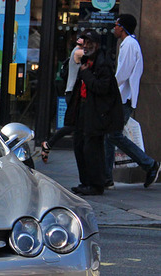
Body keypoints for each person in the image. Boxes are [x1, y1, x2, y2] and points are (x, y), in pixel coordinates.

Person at [103, 14, 159, 189]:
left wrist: (107, 88)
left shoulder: (129, 45)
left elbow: (122, 74)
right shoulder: (129, 44)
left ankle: (150, 164)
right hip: (122, 97)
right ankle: (106, 178)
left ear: (123, 27)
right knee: (109, 137)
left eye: (117, 24)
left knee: (113, 135)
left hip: (123, 98)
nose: (115, 27)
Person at [70, 30, 124, 196]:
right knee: (80, 144)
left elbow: (102, 88)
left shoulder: (102, 64)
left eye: (89, 43)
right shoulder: (87, 62)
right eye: (84, 43)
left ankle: (96, 183)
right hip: (84, 108)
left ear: (97, 45)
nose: (86, 47)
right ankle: (86, 181)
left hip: (96, 112)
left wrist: (85, 73)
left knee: (92, 148)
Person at [40, 35, 84, 163]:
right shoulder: (78, 52)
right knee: (72, 125)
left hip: (75, 94)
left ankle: (49, 145)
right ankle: (48, 144)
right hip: (72, 94)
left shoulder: (78, 51)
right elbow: (92, 55)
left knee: (77, 126)